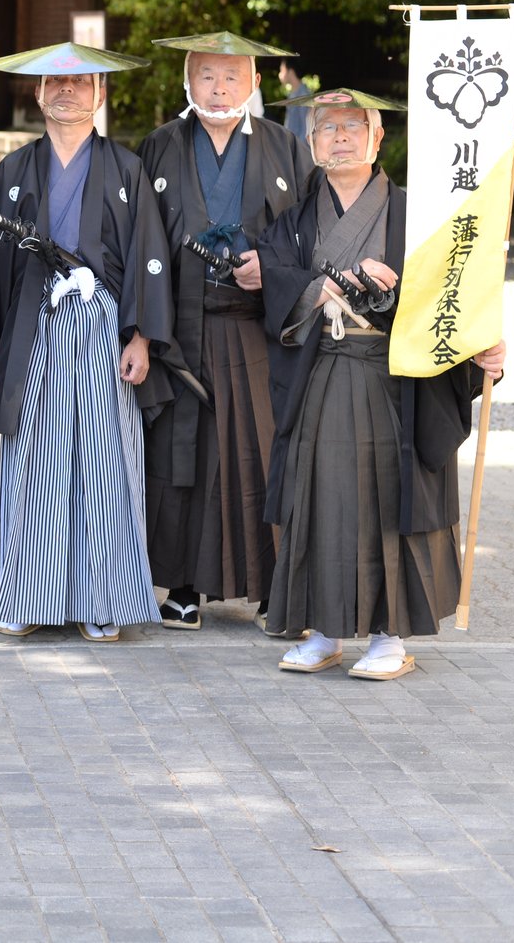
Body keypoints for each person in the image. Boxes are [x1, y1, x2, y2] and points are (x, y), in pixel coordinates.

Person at [260, 88, 505, 679]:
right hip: (320, 373)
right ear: (311, 143)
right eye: (327, 128)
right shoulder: (292, 222)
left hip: (395, 380)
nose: (340, 136)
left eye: (353, 126)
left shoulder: (418, 216)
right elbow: (275, 278)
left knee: (388, 503)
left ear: (377, 139)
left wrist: (484, 345)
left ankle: (390, 636)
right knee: (317, 500)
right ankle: (322, 630)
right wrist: (329, 286)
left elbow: (458, 290)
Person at [0, 42, 172, 642]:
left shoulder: (126, 168)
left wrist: (140, 336)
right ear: (37, 94)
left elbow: (147, 256)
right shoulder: (13, 170)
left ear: (101, 95)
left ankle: (103, 598)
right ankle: (28, 596)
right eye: (55, 85)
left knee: (105, 463)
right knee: (33, 462)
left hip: (101, 329)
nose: (68, 93)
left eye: (82, 84)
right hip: (31, 331)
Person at [137, 33, 315, 630]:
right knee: (181, 457)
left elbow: (311, 236)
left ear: (256, 83)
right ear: (187, 82)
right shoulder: (159, 147)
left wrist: (277, 270)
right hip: (182, 330)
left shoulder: (285, 147)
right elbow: (138, 243)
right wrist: (141, 332)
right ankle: (182, 586)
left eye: (232, 77)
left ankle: (270, 586)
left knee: (261, 453)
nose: (219, 89)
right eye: (207, 77)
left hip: (258, 331)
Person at [277, 62, 312, 141]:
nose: (280, 74)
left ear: (290, 72)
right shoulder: (293, 94)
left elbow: (306, 128)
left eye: (282, 70)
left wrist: (298, 151)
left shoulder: (303, 95)